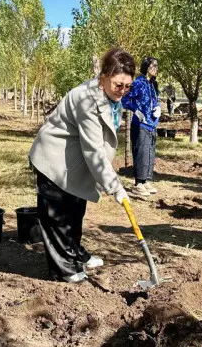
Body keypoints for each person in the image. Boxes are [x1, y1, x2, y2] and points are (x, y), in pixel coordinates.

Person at [28, 48, 134, 283]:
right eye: (119, 85)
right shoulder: (86, 99)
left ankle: (74, 253)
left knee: (75, 210)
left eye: (128, 86)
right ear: (104, 75)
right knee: (58, 217)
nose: (123, 91)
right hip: (54, 161)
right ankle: (64, 270)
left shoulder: (110, 98)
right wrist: (115, 187)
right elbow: (94, 150)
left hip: (74, 165)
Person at [122, 57, 161, 196]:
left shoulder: (153, 85)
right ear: (147, 67)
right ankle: (138, 183)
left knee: (150, 153)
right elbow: (125, 99)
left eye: (157, 66)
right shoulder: (138, 83)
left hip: (152, 124)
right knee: (141, 153)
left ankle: (146, 181)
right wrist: (136, 110)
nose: (156, 68)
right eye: (153, 65)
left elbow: (155, 101)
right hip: (140, 123)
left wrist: (158, 108)